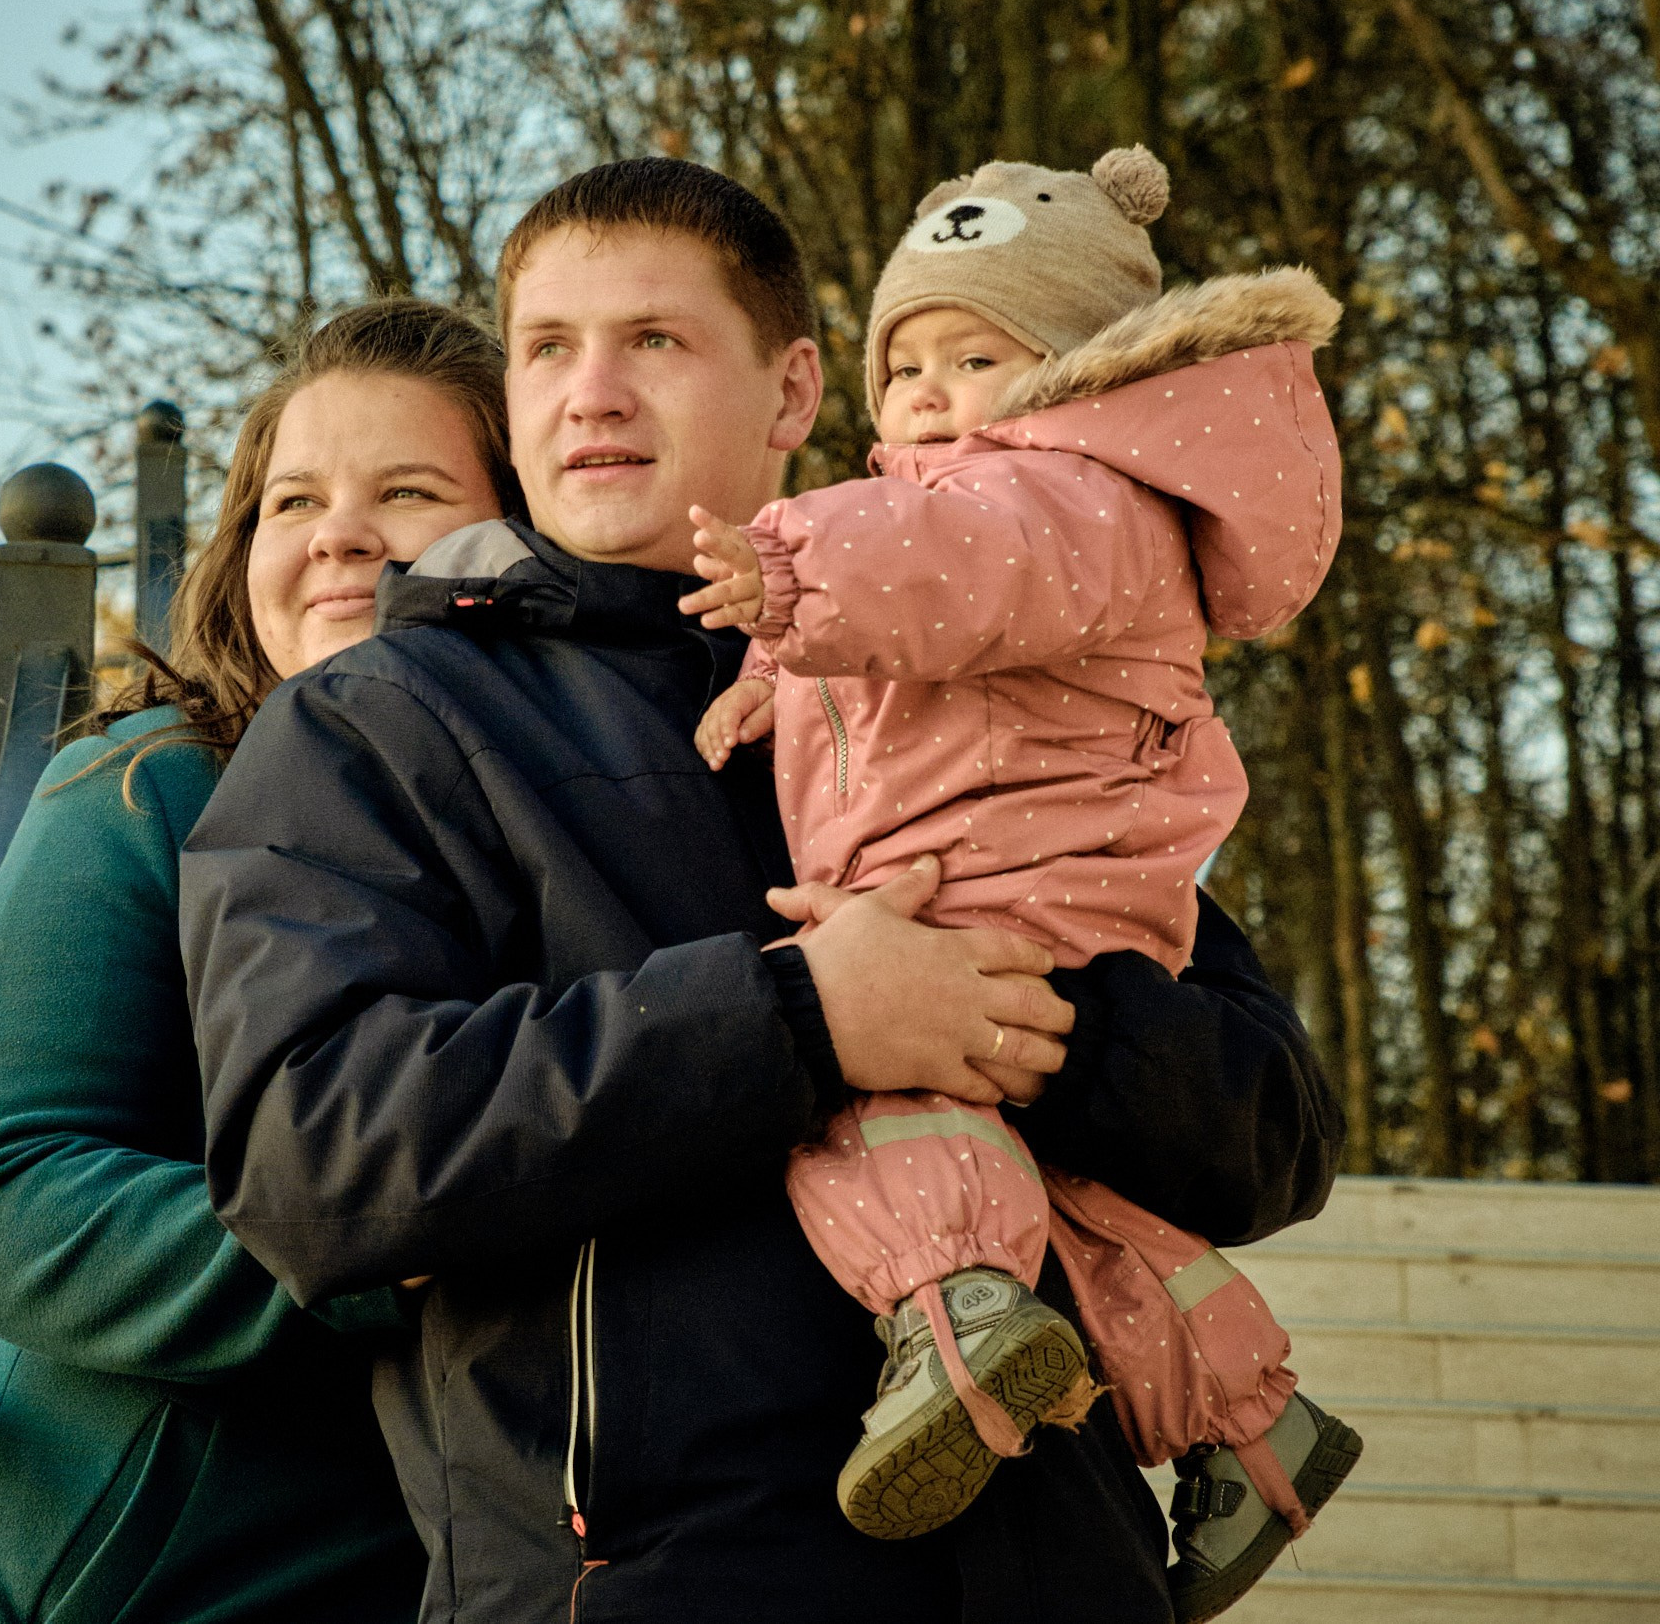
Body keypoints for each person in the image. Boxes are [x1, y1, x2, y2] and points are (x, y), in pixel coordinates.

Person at [184, 157, 1341, 1624]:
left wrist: (1040, 1021)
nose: (590, 393)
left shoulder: (999, 664)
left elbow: (1279, 1135)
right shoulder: (381, 721)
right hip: (656, 1585)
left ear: (793, 394)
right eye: (549, 347)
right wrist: (803, 1019)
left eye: (653, 341)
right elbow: (312, 1148)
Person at [683, 148, 1359, 1621]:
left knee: (875, 1099)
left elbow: (948, 567)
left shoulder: (1068, 498)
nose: (927, 390)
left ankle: (952, 1313)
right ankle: (1251, 1421)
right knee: (1079, 1194)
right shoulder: (986, 515)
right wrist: (768, 670)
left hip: (1021, 881)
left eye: (975, 355)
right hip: (1037, 875)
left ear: (1083, 373)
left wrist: (792, 577)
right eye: (908, 360)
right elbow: (902, 644)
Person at [0, 299, 521, 1624]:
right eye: (293, 499)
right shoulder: (144, 794)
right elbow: (8, 1194)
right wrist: (380, 1248)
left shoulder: (562, 827)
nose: (339, 533)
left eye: (407, 489)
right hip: (147, 1576)